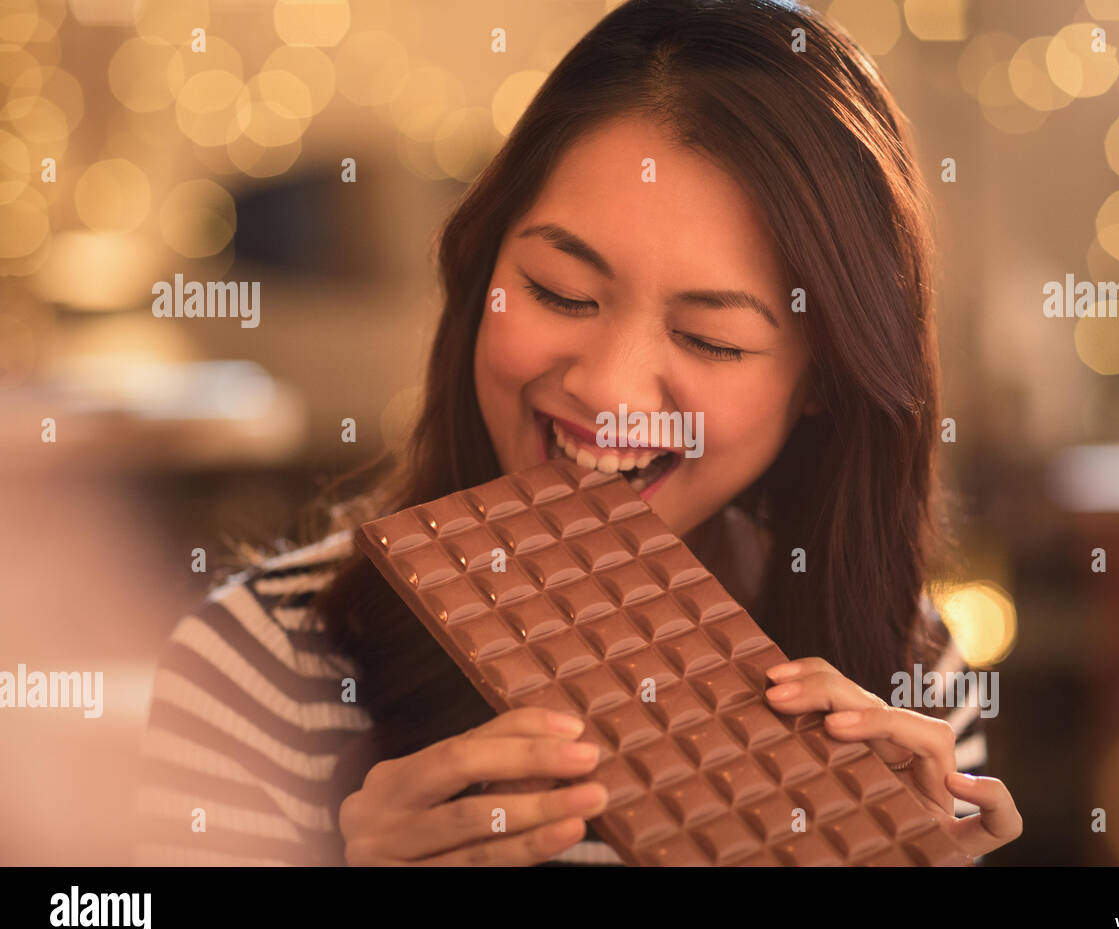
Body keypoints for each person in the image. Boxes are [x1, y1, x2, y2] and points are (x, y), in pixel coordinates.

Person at [133, 0, 1021, 866]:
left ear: (825, 379)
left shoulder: (904, 669)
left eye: (711, 337)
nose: (606, 387)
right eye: (560, 291)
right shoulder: (257, 668)